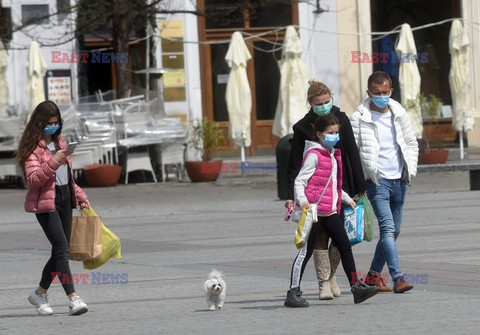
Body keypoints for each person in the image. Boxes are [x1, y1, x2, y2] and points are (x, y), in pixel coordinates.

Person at [284, 81, 366, 306]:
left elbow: (347, 160)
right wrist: (299, 200)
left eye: (327, 101)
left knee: (344, 245)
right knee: (308, 250)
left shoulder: (332, 151)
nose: (336, 137)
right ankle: (297, 290)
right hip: (314, 208)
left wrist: (352, 194)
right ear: (319, 134)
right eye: (331, 133)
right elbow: (299, 175)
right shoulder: (311, 149)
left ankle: (355, 287)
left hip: (332, 204)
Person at [15, 101, 90, 316]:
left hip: (65, 198)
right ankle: (73, 298)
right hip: (46, 204)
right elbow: (34, 180)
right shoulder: (32, 148)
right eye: (49, 123)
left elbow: (67, 179)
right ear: (40, 123)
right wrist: (54, 161)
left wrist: (81, 196)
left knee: (59, 251)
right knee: (62, 251)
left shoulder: (61, 143)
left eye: (56, 123)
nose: (53, 127)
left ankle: (40, 293)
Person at [349, 71, 418, 293]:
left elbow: (411, 143)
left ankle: (373, 277)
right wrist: (359, 184)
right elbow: (353, 154)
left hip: (399, 179)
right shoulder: (357, 118)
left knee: (394, 230)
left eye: (385, 92)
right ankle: (398, 277)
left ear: (391, 91)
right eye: (377, 93)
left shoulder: (399, 112)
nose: (381, 96)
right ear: (368, 93)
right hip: (377, 181)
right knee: (387, 228)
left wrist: (411, 169)